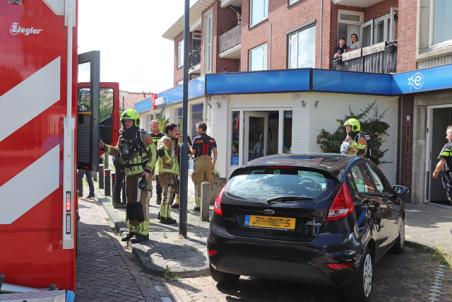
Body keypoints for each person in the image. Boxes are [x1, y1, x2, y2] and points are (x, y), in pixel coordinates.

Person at [99, 109, 157, 243]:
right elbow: (118, 152)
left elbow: (153, 153)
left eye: (129, 121)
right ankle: (132, 231)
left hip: (141, 175)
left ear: (135, 121)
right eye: (125, 121)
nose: (127, 123)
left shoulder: (143, 135)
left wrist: (147, 170)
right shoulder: (122, 137)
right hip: (129, 175)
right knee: (130, 204)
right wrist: (104, 147)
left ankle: (143, 233)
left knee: (140, 204)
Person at [190, 122, 218, 212]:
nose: (196, 130)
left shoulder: (196, 139)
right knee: (207, 182)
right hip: (209, 161)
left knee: (198, 182)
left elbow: (193, 152)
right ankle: (205, 204)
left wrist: (188, 146)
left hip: (199, 160)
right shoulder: (212, 140)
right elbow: (216, 153)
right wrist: (213, 164)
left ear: (201, 129)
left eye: (197, 128)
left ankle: (198, 205)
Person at [155, 123, 179, 224]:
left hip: (166, 171)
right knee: (168, 194)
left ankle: (163, 213)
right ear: (169, 131)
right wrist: (170, 162)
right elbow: (160, 151)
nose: (176, 132)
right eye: (175, 131)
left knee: (167, 194)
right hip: (167, 172)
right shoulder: (167, 140)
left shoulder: (168, 139)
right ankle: (165, 217)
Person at [432, 125, 452, 204]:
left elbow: (441, 162)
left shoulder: (448, 147)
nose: (446, 136)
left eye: (447, 134)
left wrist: (435, 172)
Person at [150, 120, 164, 205]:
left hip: (160, 160)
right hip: (150, 159)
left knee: (159, 179)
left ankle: (159, 198)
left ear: (159, 126)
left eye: (156, 125)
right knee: (148, 179)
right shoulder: (148, 136)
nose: (155, 127)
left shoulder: (162, 136)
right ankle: (148, 196)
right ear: (151, 126)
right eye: (153, 125)